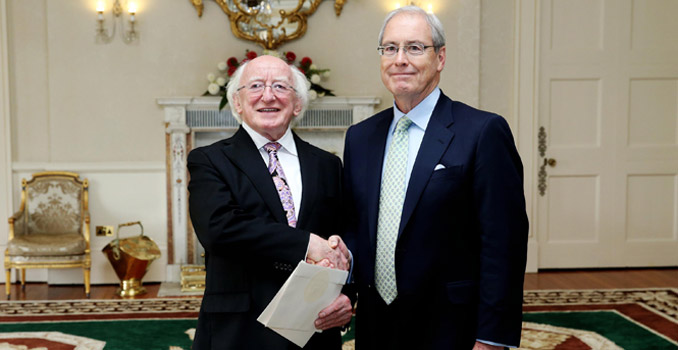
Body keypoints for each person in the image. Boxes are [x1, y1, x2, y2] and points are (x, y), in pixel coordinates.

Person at [342, 6, 529, 349]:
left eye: (415, 47)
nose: (400, 59)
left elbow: (504, 243)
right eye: (390, 48)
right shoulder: (360, 137)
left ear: (440, 57)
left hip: (452, 327)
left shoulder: (483, 131)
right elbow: (355, 226)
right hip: (376, 326)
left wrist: (491, 338)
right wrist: (344, 285)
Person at [187, 55, 353, 349]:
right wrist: (307, 244)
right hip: (239, 330)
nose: (268, 95)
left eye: (280, 86)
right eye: (255, 86)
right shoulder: (209, 160)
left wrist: (346, 296)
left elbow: (347, 238)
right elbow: (219, 229)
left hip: (313, 327)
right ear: (237, 103)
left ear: (298, 103)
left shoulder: (328, 165)